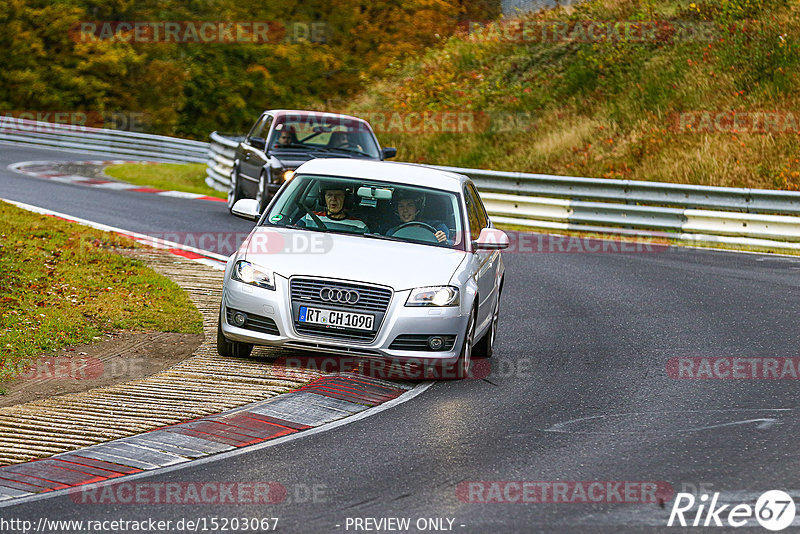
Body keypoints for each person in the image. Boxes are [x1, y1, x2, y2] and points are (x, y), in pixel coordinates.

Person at [298, 182, 368, 232]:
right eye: (329, 195)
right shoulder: (309, 218)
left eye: (338, 195)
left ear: (346, 200)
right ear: (323, 199)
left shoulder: (359, 226)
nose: (333, 198)